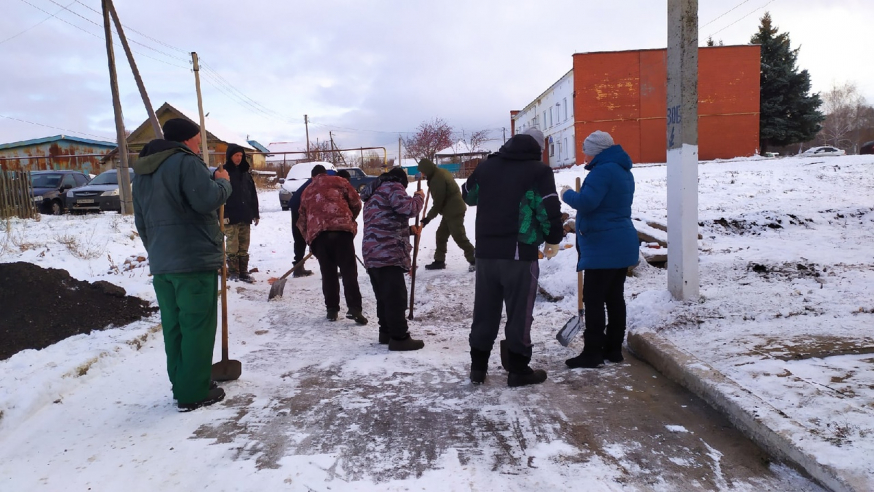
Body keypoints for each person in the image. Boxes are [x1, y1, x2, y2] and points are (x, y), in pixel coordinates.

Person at [132, 117, 231, 411]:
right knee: (197, 326)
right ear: (187, 139)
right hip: (193, 259)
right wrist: (223, 185)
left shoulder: (143, 172)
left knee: (175, 327)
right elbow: (205, 200)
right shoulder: (186, 163)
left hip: (164, 264)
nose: (200, 144)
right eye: (198, 139)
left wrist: (158, 252)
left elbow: (141, 221)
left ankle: (185, 381)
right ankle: (193, 392)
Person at [461, 127, 564, 387]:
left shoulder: (486, 166)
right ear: (538, 148)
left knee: (485, 311)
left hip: (485, 254)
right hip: (519, 253)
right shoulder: (538, 171)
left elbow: (468, 195)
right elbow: (547, 207)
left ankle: (478, 367)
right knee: (519, 313)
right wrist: (553, 237)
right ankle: (518, 369)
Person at [560, 130, 638, 369]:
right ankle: (613, 350)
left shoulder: (602, 171)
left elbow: (587, 203)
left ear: (596, 152)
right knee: (614, 298)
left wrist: (567, 194)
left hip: (604, 246)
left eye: (586, 151)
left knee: (593, 299)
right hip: (620, 241)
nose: (584, 156)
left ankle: (593, 353)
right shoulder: (622, 170)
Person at [360, 167, 426, 351]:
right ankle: (399, 338)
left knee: (384, 296)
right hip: (388, 253)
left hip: (373, 252)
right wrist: (419, 197)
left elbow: (384, 221)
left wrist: (409, 231)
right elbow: (408, 208)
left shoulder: (375, 193)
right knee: (396, 297)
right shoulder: (392, 187)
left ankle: (386, 332)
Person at [297, 165, 367, 324]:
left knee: (328, 274)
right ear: (324, 173)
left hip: (320, 235)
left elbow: (301, 219)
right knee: (349, 272)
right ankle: (355, 308)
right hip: (342, 232)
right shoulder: (340, 181)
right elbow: (356, 202)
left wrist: (310, 239)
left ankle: (332, 309)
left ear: (313, 176)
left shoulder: (307, 191)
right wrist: (349, 220)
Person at [416, 158, 476, 272]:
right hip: (450, 210)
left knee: (459, 236)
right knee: (441, 235)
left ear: (427, 169)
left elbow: (438, 202)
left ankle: (474, 259)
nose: (422, 174)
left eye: (423, 171)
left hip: (454, 210)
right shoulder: (439, 173)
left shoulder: (437, 179)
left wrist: (427, 218)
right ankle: (439, 260)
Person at [222, 143, 259, 283]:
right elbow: (219, 196)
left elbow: (252, 194)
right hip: (230, 217)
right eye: (236, 155)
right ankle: (233, 273)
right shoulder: (224, 172)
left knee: (244, 245)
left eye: (241, 155)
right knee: (232, 245)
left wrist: (255, 213)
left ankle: (243, 272)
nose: (239, 158)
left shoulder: (245, 173)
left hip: (245, 215)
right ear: (230, 156)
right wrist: (223, 215)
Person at [288, 167, 318, 278]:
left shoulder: (313, 181)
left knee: (299, 237)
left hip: (296, 205)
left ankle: (298, 267)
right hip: (300, 208)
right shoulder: (319, 183)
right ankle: (299, 268)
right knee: (305, 237)